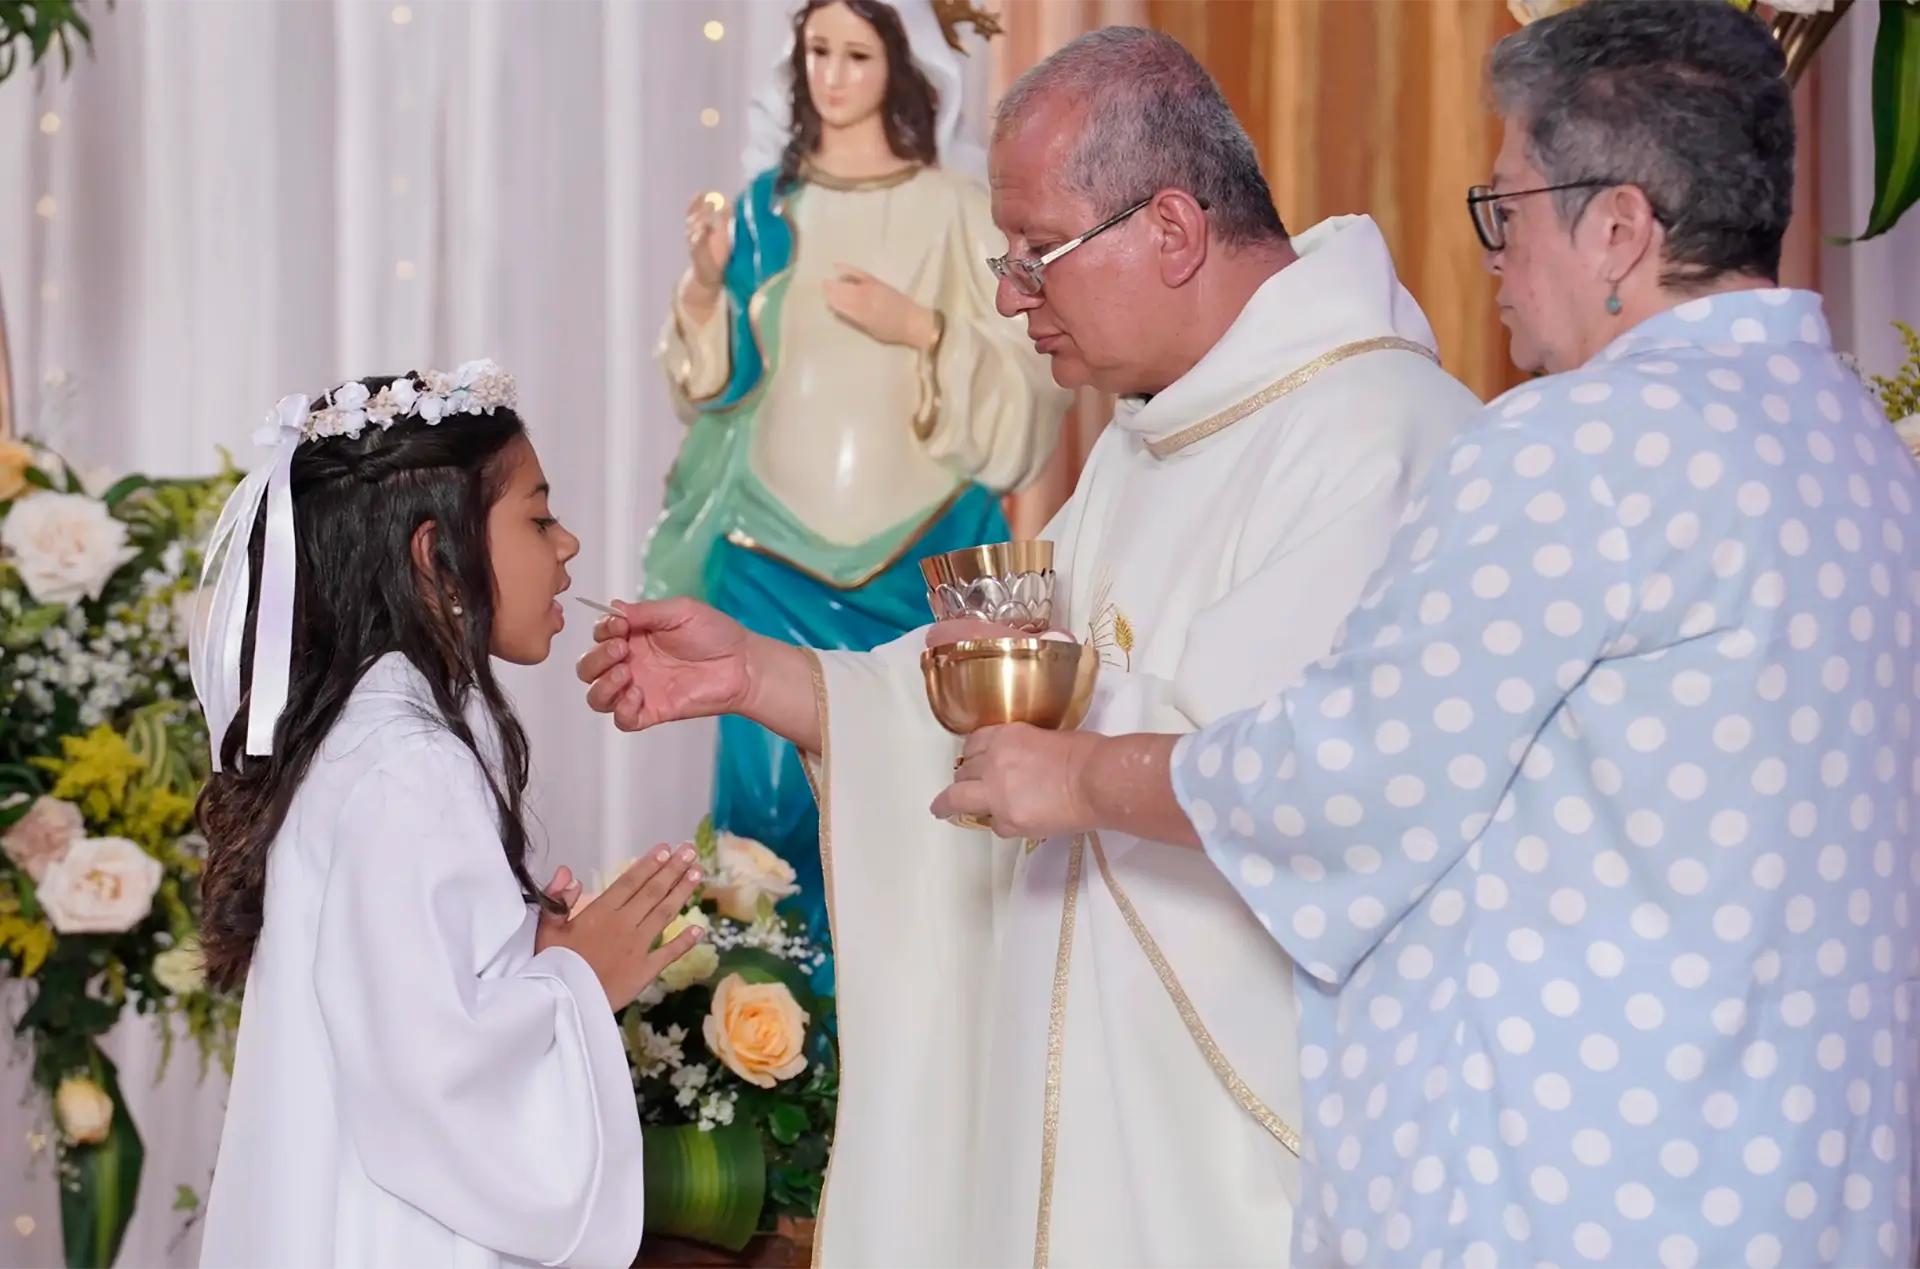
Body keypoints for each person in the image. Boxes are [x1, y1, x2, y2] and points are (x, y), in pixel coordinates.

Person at [934, 2, 1920, 1265]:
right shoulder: (1858, 450)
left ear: (1619, 227)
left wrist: (1078, 774)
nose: (1491, 254)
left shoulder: (1579, 451)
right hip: (1794, 1174)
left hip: (1578, 1186)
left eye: (1507, 209)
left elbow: (1345, 775)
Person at [582, 28, 1480, 1269]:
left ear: (1170, 228)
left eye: (1033, 254)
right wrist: (764, 674)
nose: (1006, 298)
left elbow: (1319, 789)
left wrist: (1075, 755)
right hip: (1079, 1125)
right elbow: (988, 676)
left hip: (1230, 1166)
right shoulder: (1145, 437)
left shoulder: (1380, 437)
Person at [190, 364, 704, 1269]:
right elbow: (426, 1085)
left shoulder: (373, 728)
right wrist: (584, 978)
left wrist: (518, 949)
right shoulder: (411, 763)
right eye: (539, 517)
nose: (569, 542)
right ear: (436, 553)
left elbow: (404, 1008)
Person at [648, 0, 1068, 982]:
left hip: (919, 563)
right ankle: (770, 1060)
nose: (833, 76)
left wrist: (920, 327)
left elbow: (1029, 378)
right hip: (768, 560)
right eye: (817, 53)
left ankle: (918, 1051)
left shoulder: (959, 208)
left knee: (920, 819)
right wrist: (706, 291)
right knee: (765, 837)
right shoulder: (765, 206)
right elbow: (716, 387)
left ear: (901, 66)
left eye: (856, 54)